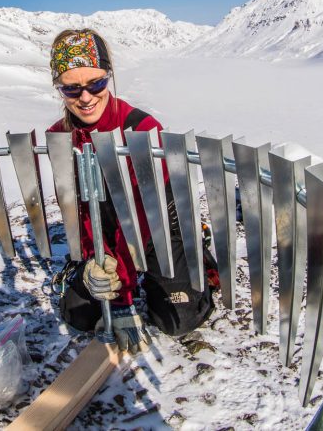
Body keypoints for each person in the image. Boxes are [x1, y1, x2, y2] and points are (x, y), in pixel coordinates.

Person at [47, 29, 215, 354]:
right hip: (106, 229)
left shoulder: (143, 130)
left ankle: (194, 252)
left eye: (96, 84)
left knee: (178, 318)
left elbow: (139, 218)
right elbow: (78, 212)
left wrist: (121, 296)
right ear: (59, 89)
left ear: (108, 76)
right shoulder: (60, 137)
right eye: (71, 88)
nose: (85, 97)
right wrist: (95, 261)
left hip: (156, 225)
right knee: (79, 314)